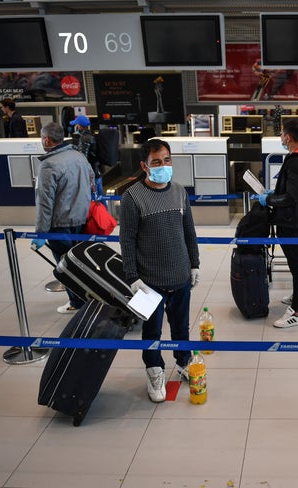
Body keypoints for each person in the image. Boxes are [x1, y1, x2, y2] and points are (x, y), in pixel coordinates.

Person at [119, 138, 200, 403]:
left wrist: (194, 263)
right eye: (156, 162)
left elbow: (189, 231)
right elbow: (127, 239)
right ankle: (154, 369)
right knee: (151, 331)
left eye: (167, 160)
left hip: (180, 276)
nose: (163, 166)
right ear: (144, 165)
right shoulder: (132, 197)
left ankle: (183, 360)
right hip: (149, 281)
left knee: (181, 327)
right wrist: (132, 277)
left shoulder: (179, 191)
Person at [256, 118, 298, 328]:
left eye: (282, 133)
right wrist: (274, 193)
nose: (281, 137)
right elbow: (292, 190)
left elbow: (292, 197)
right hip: (294, 218)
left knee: (297, 263)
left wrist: (269, 199)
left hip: (291, 220)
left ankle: (296, 312)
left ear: (288, 137)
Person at [30, 122, 93, 314]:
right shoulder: (78, 155)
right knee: (81, 262)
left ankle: (76, 303)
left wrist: (41, 232)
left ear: (46, 139)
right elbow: (92, 182)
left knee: (66, 265)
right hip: (82, 219)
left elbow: (45, 202)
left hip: (61, 225)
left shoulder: (48, 165)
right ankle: (89, 296)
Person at [70, 115, 102, 200]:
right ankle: (104, 213)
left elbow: (82, 157)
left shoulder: (84, 138)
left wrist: (71, 148)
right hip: (96, 171)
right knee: (100, 198)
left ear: (79, 126)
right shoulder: (91, 135)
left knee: (92, 199)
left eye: (76, 124)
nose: (75, 126)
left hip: (90, 174)